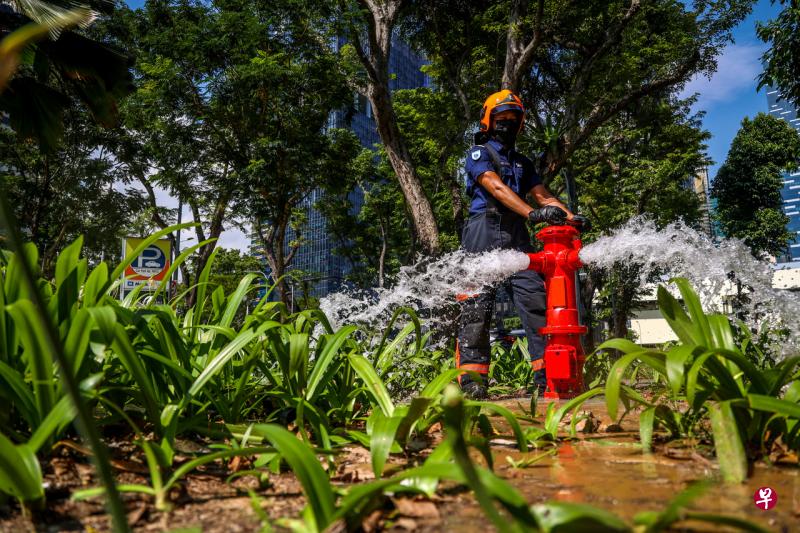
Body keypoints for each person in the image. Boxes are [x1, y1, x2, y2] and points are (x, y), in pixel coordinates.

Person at [457, 89, 590, 399]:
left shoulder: (523, 162)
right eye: (501, 119)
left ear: (521, 125)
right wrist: (533, 213)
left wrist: (572, 218)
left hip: (518, 236)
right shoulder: (479, 154)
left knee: (536, 302)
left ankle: (548, 375)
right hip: (482, 232)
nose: (507, 125)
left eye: (513, 120)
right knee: (477, 309)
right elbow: (495, 186)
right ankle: (473, 382)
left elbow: (544, 196)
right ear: (488, 122)